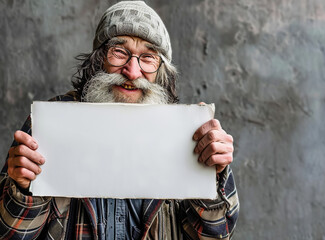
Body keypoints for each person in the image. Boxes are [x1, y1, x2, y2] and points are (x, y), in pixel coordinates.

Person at [0, 1, 239, 239]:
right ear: (98, 60)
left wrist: (214, 176)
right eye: (119, 52)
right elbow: (9, 235)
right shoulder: (49, 124)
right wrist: (21, 188)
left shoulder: (187, 133)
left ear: (161, 71)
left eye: (148, 57)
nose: (133, 72)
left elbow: (215, 235)